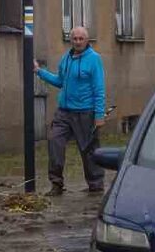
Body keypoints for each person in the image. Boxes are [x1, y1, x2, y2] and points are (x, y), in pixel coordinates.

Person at [35, 26, 107, 195]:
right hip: (64, 112)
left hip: (85, 112)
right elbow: (60, 81)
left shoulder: (94, 59)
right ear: (70, 40)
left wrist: (99, 115)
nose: (78, 42)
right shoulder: (65, 59)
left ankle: (96, 184)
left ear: (87, 41)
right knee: (54, 141)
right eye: (75, 39)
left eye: (81, 39)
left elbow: (99, 89)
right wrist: (39, 72)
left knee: (88, 149)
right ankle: (56, 183)